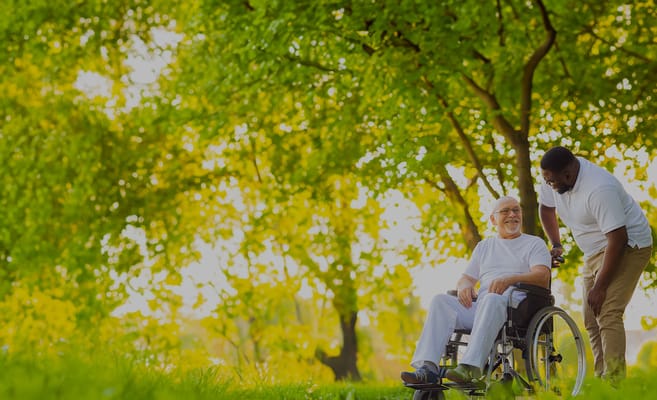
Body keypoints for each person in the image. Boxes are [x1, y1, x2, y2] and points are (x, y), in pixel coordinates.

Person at [401, 196, 551, 385]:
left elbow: (542, 276)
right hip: (482, 306)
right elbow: (466, 278)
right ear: (493, 219)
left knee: (492, 298)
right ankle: (427, 369)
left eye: (516, 210)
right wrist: (464, 286)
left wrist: (510, 279)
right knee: (441, 300)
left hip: (515, 309)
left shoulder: (534, 243)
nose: (512, 214)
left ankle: (469, 368)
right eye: (505, 211)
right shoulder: (484, 246)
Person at [538, 146, 653, 383]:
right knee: (590, 316)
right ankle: (601, 379)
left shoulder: (599, 188)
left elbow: (618, 239)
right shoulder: (553, 176)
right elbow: (546, 208)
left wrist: (600, 287)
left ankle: (614, 384)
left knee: (608, 311)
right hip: (594, 250)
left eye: (552, 182)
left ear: (568, 175)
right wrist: (556, 243)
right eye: (546, 181)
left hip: (629, 246)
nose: (549, 185)